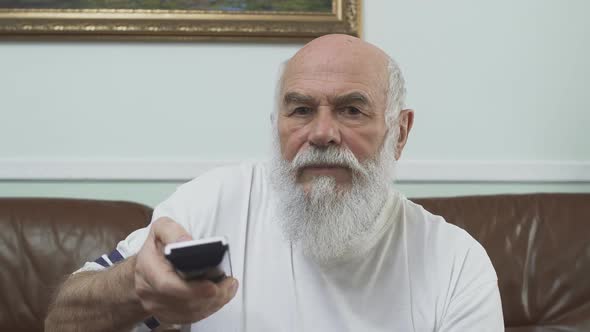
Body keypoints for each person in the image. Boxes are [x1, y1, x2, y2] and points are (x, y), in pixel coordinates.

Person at [45, 34, 504, 332]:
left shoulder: (457, 263)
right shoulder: (212, 202)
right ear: (277, 126)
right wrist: (134, 287)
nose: (322, 133)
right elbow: (61, 322)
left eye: (351, 109)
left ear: (399, 133)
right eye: (301, 109)